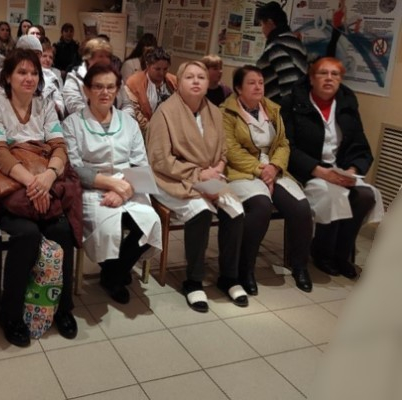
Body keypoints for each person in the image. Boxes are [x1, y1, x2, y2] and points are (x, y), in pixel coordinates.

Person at [0, 49, 80, 347]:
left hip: (44, 180)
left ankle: (62, 308)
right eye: (22, 72)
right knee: (26, 234)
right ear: (8, 77)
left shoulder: (45, 105)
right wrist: (32, 183)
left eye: (34, 73)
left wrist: (48, 177)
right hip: (11, 186)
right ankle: (10, 314)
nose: (29, 78)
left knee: (61, 230)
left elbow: (59, 147)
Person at [147, 61, 247, 312]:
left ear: (207, 82)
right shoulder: (165, 113)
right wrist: (198, 174)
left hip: (210, 176)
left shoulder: (214, 111)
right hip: (172, 178)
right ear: (178, 83)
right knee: (201, 213)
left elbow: (223, 150)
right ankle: (193, 280)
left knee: (235, 211)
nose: (195, 81)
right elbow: (160, 159)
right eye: (189, 77)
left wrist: (218, 168)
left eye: (201, 77)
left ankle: (229, 276)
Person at [63, 63, 162, 304]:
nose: (104, 92)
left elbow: (139, 162)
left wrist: (123, 190)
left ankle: (112, 273)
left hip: (128, 185)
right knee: (107, 230)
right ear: (86, 90)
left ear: (117, 90)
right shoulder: (72, 123)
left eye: (110, 87)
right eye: (98, 87)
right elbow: (74, 168)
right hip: (91, 189)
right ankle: (115, 273)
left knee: (150, 224)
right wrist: (110, 184)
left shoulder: (128, 123)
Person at [281, 57, 384, 279]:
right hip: (308, 172)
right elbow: (288, 147)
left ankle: (341, 254)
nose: (329, 78)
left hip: (340, 171)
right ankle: (322, 252)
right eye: (323, 73)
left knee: (365, 196)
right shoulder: (293, 103)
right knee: (332, 196)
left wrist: (352, 172)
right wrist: (320, 171)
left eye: (335, 74)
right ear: (311, 78)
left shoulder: (347, 105)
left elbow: (361, 146)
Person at [221, 65, 313, 294]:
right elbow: (231, 150)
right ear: (238, 88)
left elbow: (283, 144)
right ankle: (245, 268)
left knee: (301, 208)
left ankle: (300, 266)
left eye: (261, 82)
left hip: (273, 169)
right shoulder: (226, 112)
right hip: (242, 171)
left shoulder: (272, 109)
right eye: (251, 83)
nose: (258, 87)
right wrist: (261, 170)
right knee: (261, 206)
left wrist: (274, 167)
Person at [63, 38, 133, 117]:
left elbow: (127, 105)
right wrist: (103, 119)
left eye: (108, 56)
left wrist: (120, 120)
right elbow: (75, 107)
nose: (105, 60)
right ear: (88, 58)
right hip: (84, 123)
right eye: (101, 56)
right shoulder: (74, 78)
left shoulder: (115, 77)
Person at [256, 1, 308, 104]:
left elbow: (288, 82)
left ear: (270, 23)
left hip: (280, 109)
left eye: (262, 24)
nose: (262, 30)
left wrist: (283, 111)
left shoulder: (277, 46)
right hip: (297, 105)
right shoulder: (296, 43)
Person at [125, 47, 176, 133]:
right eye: (157, 69)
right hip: (144, 131)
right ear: (147, 65)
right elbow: (135, 112)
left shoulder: (173, 81)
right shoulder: (134, 82)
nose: (161, 73)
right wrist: (151, 131)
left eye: (165, 69)